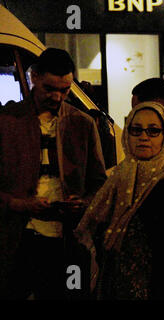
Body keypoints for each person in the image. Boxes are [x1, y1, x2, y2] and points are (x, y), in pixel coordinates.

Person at [0, 48, 107, 299]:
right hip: (17, 239)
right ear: (33, 77)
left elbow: (99, 183)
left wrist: (84, 202)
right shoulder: (7, 121)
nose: (58, 97)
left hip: (66, 240)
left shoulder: (83, 123)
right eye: (50, 88)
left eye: (65, 90)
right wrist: (19, 204)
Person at [74, 102, 164, 300]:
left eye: (153, 131)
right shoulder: (115, 178)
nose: (143, 137)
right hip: (114, 281)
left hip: (158, 284)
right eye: (136, 130)